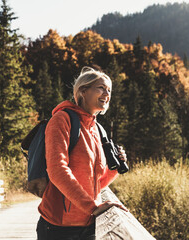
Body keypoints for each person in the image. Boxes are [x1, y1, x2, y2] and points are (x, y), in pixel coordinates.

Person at [36, 67, 128, 240]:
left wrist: (114, 169)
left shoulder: (98, 129)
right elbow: (57, 170)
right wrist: (93, 207)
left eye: (109, 90)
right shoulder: (62, 120)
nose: (106, 94)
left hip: (89, 224)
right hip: (58, 226)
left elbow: (94, 184)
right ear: (83, 91)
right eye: (101, 88)